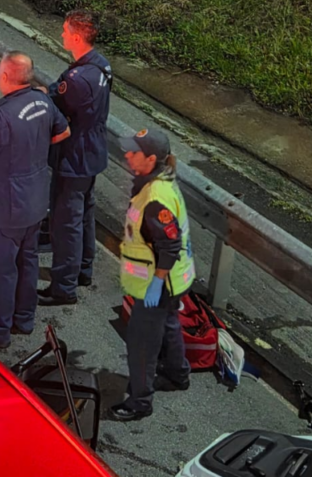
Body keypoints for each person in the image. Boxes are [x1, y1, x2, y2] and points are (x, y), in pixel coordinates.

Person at [0, 52, 70, 350]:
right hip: (35, 201)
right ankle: (24, 319)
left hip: (4, 207)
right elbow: (64, 132)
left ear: (6, 77)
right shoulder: (42, 101)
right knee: (28, 261)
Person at [111, 127, 195, 422]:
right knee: (169, 324)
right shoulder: (158, 182)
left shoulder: (155, 197)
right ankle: (176, 374)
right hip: (177, 279)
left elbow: (169, 245)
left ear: (151, 158)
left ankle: (139, 402)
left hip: (160, 283)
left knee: (142, 341)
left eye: (134, 152)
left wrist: (157, 283)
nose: (127, 155)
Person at [39, 10, 113, 306]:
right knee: (85, 215)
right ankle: (83, 270)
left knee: (65, 223)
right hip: (93, 152)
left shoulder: (78, 78)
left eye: (65, 30)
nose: (62, 35)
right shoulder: (102, 66)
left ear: (78, 36)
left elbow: (54, 100)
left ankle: (63, 287)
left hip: (74, 156)